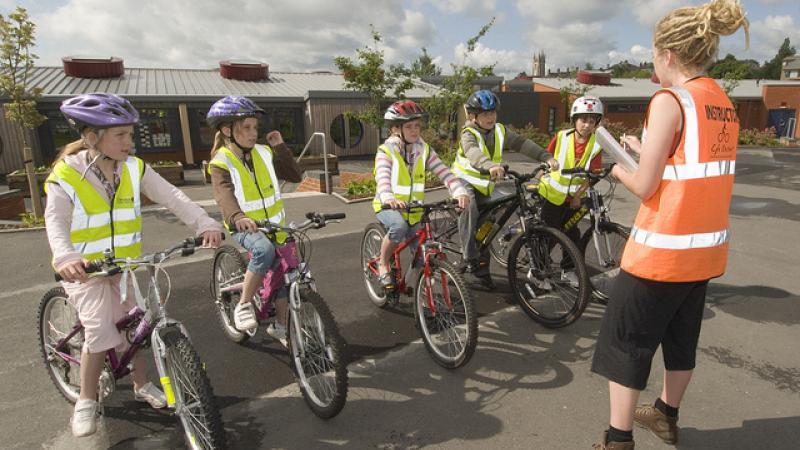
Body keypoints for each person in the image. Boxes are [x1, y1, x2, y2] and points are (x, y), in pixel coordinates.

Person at [590, 1, 748, 448]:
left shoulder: (668, 100)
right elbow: (690, 164)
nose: (652, 63)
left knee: (624, 344)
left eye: (654, 54)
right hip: (703, 253)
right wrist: (645, 149)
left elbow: (644, 186)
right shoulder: (719, 100)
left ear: (669, 55)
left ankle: (617, 439)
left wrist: (616, 166)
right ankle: (664, 414)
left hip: (660, 253)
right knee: (681, 340)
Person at [44, 93, 224, 437]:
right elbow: (55, 220)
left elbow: (172, 196)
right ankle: (86, 399)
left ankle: (142, 385)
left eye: (130, 134)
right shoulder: (66, 174)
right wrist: (67, 257)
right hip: (86, 273)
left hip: (123, 267)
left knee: (136, 326)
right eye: (121, 135)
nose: (130, 142)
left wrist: (204, 222)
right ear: (92, 136)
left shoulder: (133, 168)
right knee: (99, 331)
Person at [207, 95, 302, 341]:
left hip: (274, 225)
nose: (253, 133)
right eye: (246, 128)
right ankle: (244, 303)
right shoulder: (221, 161)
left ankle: (281, 325)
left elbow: (295, 175)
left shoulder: (263, 152)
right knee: (263, 251)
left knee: (284, 271)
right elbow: (223, 194)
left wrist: (280, 147)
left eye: (255, 128)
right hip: (245, 226)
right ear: (227, 130)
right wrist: (237, 216)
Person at [452, 89, 557, 289]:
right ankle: (468, 253)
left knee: (493, 217)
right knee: (470, 208)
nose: (490, 117)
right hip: (464, 180)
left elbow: (522, 143)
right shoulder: (469, 134)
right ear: (473, 116)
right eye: (485, 114)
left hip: (487, 182)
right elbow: (473, 152)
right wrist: (490, 165)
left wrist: (546, 157)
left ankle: (481, 265)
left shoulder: (500, 131)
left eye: (493, 112)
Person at [373, 100, 469, 291]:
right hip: (388, 206)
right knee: (398, 227)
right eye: (409, 126)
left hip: (415, 210)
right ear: (394, 129)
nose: (415, 130)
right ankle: (383, 262)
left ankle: (414, 285)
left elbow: (445, 172)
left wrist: (459, 191)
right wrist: (388, 198)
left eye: (417, 125)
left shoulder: (423, 150)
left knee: (422, 250)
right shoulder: (387, 151)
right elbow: (382, 177)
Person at [538, 96, 604, 245]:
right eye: (583, 120)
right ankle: (539, 265)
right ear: (574, 120)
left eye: (592, 121)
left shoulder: (596, 145)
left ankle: (569, 267)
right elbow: (546, 157)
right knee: (550, 233)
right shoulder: (562, 137)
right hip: (552, 195)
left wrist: (578, 196)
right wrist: (540, 176)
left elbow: (591, 175)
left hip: (574, 198)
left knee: (571, 233)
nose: (587, 125)